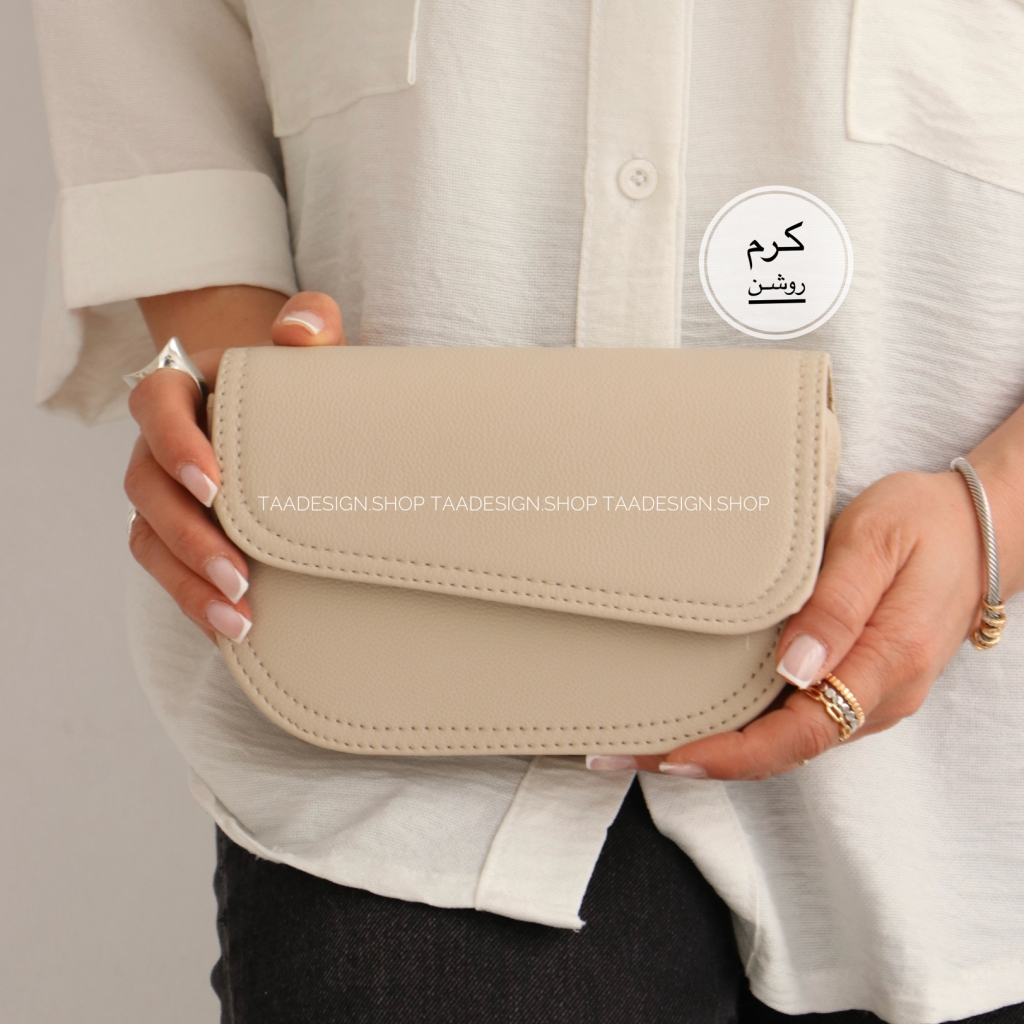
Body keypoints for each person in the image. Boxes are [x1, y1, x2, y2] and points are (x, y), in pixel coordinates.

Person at [32, 0, 1024, 1020]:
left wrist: (998, 508)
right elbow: (153, 56)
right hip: (384, 728)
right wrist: (238, 396)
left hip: (949, 773)